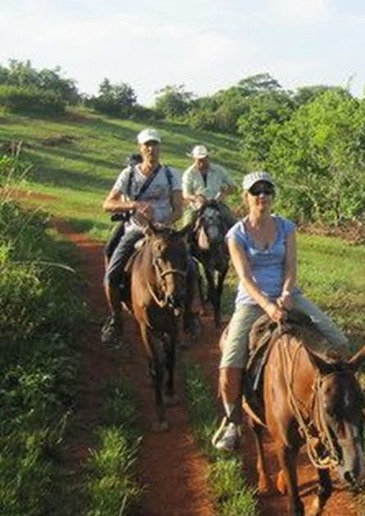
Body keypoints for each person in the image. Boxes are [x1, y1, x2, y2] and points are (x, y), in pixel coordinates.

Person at [211, 171, 349, 452]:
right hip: (252, 302)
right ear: (246, 197)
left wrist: (286, 294)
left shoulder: (286, 227)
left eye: (267, 191)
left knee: (339, 342)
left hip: (289, 296)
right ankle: (233, 422)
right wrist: (268, 305)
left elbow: (291, 268)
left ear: (273, 196)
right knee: (229, 367)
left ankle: (337, 407)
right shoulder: (236, 234)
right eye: (256, 191)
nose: (262, 196)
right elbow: (246, 280)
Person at [100, 128, 197, 344]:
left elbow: (178, 209)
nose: (151, 149)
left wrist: (165, 223)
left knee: (190, 267)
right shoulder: (129, 174)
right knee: (112, 274)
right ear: (140, 148)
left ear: (160, 147)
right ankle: (116, 318)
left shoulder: (171, 174)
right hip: (136, 230)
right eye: (147, 145)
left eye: (155, 144)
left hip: (164, 231)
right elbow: (108, 203)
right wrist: (134, 204)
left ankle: (190, 314)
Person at [180, 144, 237, 230]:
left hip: (217, 204)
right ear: (194, 159)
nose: (202, 162)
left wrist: (224, 194)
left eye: (204, 159)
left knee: (233, 224)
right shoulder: (189, 174)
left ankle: (237, 241)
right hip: (196, 206)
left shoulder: (219, 170)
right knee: (186, 226)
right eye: (199, 160)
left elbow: (233, 186)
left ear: (208, 157)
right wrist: (196, 198)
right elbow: (185, 194)